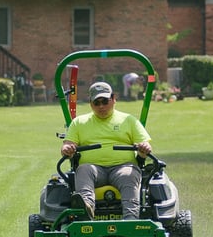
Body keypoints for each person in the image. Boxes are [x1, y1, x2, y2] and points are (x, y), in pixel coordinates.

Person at [59, 81, 152, 219]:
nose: (101, 106)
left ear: (114, 99)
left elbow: (145, 144)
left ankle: (131, 219)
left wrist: (144, 148)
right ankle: (86, 210)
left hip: (123, 167)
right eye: (97, 103)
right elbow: (67, 145)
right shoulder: (79, 122)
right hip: (93, 169)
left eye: (105, 101)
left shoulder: (128, 120)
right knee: (83, 170)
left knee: (129, 174)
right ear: (91, 103)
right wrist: (67, 149)